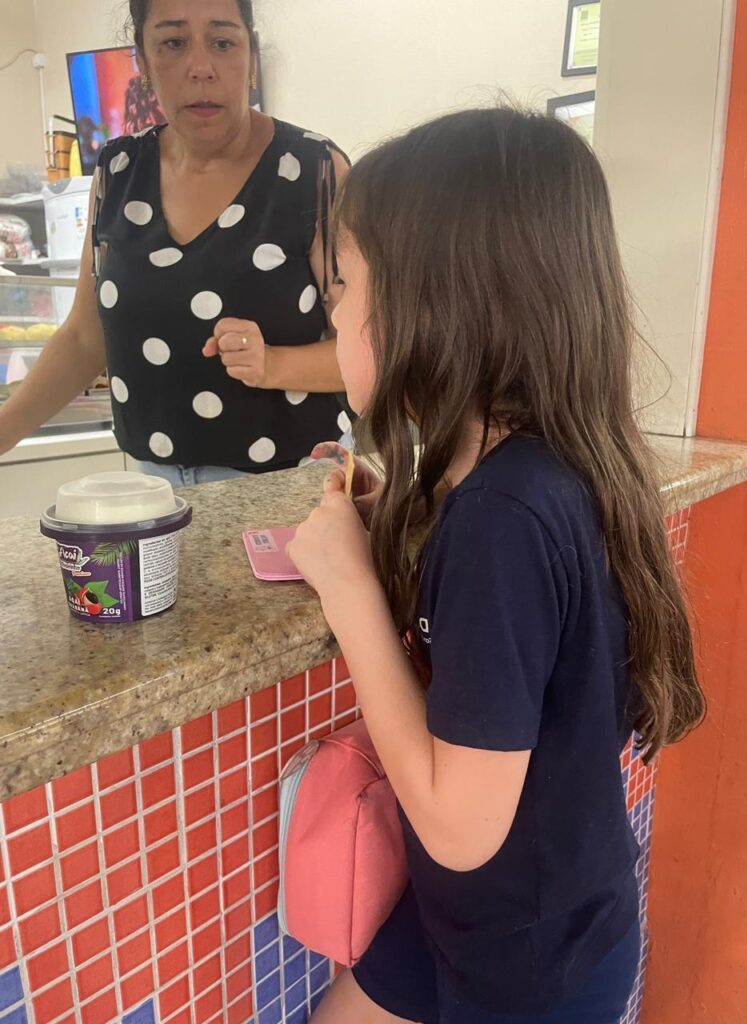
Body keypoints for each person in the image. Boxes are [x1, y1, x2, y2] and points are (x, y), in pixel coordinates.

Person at [287, 107, 706, 1024]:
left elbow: (459, 828)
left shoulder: (502, 520)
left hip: (527, 971)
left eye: (344, 282)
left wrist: (350, 588)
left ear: (433, 304)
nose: (331, 310)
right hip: (508, 917)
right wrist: (407, 517)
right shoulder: (542, 473)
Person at [0, 0, 351, 484]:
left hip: (291, 482)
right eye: (173, 42)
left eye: (223, 42)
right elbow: (84, 338)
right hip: (154, 485)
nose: (201, 67)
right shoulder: (118, 170)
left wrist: (273, 364)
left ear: (250, 55)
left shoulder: (315, 170)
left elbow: (374, 345)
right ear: (143, 62)